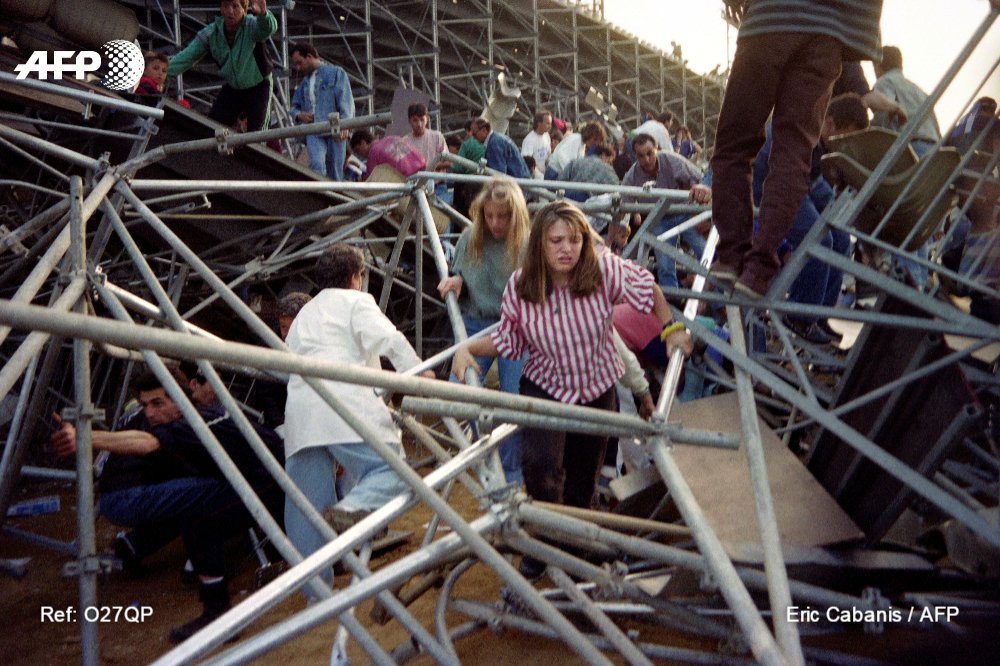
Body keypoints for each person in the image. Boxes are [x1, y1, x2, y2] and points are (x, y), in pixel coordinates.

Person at [451, 201, 693, 579]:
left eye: (575, 240)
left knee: (584, 476)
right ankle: (545, 544)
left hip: (596, 388)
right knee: (542, 469)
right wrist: (467, 348)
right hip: (545, 386)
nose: (567, 249)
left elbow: (649, 289)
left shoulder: (601, 268)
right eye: (556, 241)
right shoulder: (522, 285)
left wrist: (672, 329)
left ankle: (579, 549)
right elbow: (508, 339)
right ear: (540, 245)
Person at [49, 367, 284, 643]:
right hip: (262, 481)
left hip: (272, 483)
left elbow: (147, 444)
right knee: (195, 506)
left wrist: (84, 438)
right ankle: (215, 608)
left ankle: (215, 608)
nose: (149, 413)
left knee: (196, 507)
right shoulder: (189, 420)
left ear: (180, 398)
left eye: (158, 403)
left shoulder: (193, 423)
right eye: (145, 405)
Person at [283, 244, 433, 591]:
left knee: (305, 509)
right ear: (357, 277)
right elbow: (388, 339)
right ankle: (352, 509)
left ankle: (315, 595)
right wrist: (419, 374)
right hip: (344, 404)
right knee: (393, 472)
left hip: (303, 416)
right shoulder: (356, 301)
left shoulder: (305, 314)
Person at [711, 0, 883, 298]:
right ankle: (758, 270)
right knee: (792, 155)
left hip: (771, 17)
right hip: (828, 31)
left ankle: (731, 257)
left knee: (734, 145)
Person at [752, 93, 870, 344]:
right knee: (820, 241)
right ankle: (799, 315)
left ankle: (819, 314)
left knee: (840, 238)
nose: (845, 143)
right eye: (845, 135)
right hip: (775, 183)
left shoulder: (819, 137)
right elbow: (784, 177)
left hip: (802, 179)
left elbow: (815, 180)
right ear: (829, 124)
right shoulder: (802, 127)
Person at [437, 178, 531, 482]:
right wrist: (457, 281)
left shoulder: (526, 243)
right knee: (460, 393)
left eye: (503, 216)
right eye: (489, 215)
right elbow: (462, 272)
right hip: (476, 322)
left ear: (515, 215)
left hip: (514, 327)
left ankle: (511, 473)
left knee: (513, 400)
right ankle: (484, 455)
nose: (496, 223)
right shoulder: (470, 236)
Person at [166, 0, 278, 132]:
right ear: (221, 9)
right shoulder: (211, 33)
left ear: (244, 9)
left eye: (235, 6)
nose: (230, 11)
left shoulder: (251, 26)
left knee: (257, 134)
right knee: (211, 127)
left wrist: (263, 14)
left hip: (259, 86)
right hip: (233, 87)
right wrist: (161, 71)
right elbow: (186, 57)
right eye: (226, 6)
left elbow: (268, 28)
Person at [621, 133, 712, 290]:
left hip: (685, 212)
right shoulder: (632, 175)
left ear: (657, 149)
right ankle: (671, 304)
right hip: (660, 219)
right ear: (635, 156)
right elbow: (625, 203)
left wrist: (698, 204)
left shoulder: (671, 160)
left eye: (650, 153)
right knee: (664, 265)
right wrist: (632, 215)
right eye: (641, 156)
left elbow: (699, 177)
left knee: (705, 252)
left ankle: (717, 297)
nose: (647, 159)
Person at [289, 43, 355, 180]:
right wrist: (300, 115)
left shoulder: (336, 73)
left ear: (309, 56)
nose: (298, 67)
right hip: (314, 127)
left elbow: (345, 101)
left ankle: (332, 198)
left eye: (300, 63)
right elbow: (294, 107)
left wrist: (346, 124)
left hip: (335, 124)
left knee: (335, 171)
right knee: (316, 165)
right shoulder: (304, 83)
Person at [404, 103, 449, 171]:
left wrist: (427, 167)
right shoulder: (405, 141)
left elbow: (448, 162)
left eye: (422, 120)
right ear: (409, 121)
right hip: (414, 180)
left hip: (437, 181)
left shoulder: (437, 137)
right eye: (415, 120)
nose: (419, 124)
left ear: (427, 118)